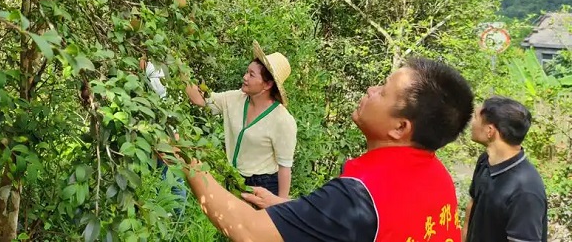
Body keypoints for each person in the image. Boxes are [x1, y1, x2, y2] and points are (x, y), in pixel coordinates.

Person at [183, 57, 474, 242]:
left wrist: (188, 163)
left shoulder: (359, 195)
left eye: (383, 90)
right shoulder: (439, 177)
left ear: (400, 127)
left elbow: (248, 229)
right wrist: (286, 207)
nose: (371, 90)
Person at [185, 41, 297, 198]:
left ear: (267, 85)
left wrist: (281, 203)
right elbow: (201, 100)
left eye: (251, 75)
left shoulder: (282, 120)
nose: (245, 77)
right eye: (247, 72)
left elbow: (285, 166)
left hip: (263, 185)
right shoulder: (235, 98)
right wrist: (179, 70)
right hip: (234, 179)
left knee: (257, 223)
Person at [462, 96, 548, 242]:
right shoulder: (485, 161)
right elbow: (473, 203)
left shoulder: (525, 191)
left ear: (490, 130)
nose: (472, 123)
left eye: (476, 117)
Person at [139, 56, 187, 217]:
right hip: (157, 132)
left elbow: (166, 101)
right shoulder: (158, 68)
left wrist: (171, 134)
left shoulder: (154, 72)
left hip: (165, 132)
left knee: (172, 174)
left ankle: (179, 218)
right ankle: (164, 213)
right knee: (160, 173)